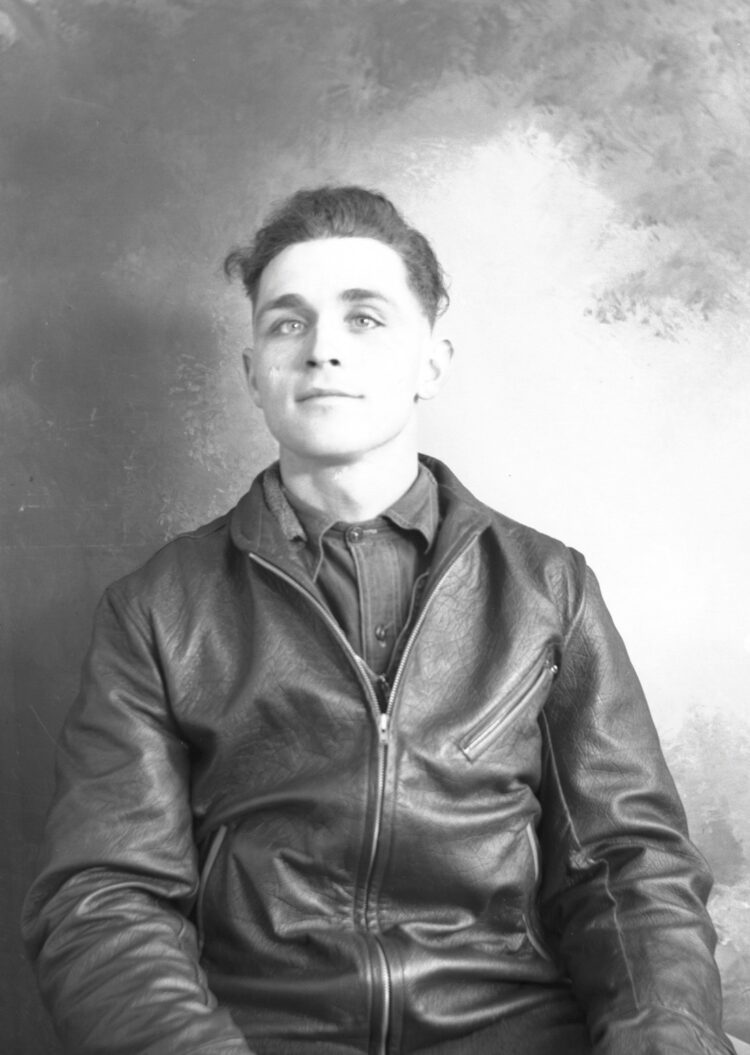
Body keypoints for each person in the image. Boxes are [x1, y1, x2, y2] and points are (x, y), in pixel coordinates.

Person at [22, 186, 736, 1055]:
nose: (322, 349)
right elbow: (104, 896)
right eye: (288, 323)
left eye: (365, 319)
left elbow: (631, 871)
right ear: (253, 373)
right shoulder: (157, 610)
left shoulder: (549, 588)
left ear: (430, 361)